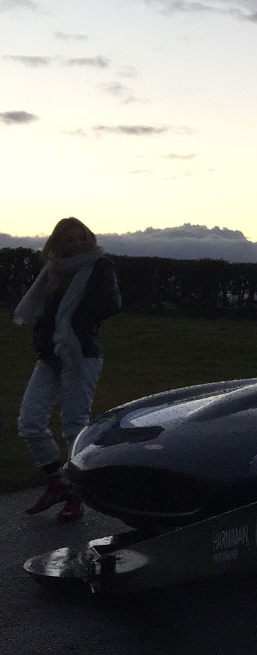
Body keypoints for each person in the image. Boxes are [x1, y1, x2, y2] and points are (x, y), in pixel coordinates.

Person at [14, 217, 121, 522]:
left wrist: (74, 324)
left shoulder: (100, 266)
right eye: (69, 239)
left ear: (90, 238)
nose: (77, 244)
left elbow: (111, 304)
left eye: (81, 238)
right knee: (29, 422)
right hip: (50, 355)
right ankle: (56, 482)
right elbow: (44, 313)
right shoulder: (53, 271)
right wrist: (45, 339)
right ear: (58, 243)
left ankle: (77, 493)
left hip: (81, 355)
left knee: (74, 426)